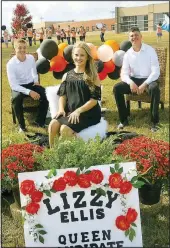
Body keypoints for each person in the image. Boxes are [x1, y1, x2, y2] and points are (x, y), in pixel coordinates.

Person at [48, 41, 101, 148]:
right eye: (76, 55)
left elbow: (94, 100)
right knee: (52, 125)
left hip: (88, 114)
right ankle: (52, 154)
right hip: (71, 112)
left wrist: (78, 111)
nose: (79, 58)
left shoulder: (92, 76)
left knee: (64, 129)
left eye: (82, 55)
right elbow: (63, 95)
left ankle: (69, 155)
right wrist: (61, 109)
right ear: (72, 56)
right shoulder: (67, 75)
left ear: (87, 57)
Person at [113, 26, 160, 132]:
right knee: (117, 88)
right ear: (129, 38)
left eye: (136, 35)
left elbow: (156, 71)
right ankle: (123, 120)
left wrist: (145, 84)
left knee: (155, 88)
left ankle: (154, 122)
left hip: (149, 79)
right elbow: (124, 73)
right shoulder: (128, 54)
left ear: (141, 37)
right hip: (134, 80)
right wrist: (130, 82)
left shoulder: (150, 50)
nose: (134, 37)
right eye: (132, 36)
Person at [6, 39, 49, 132]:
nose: (22, 50)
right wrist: (30, 92)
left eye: (24, 47)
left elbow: (34, 72)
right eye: (19, 48)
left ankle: (39, 121)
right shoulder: (10, 64)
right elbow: (13, 85)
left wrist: (36, 81)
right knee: (16, 99)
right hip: (18, 87)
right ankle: (22, 126)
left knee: (46, 94)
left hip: (31, 84)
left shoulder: (30, 58)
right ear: (15, 48)